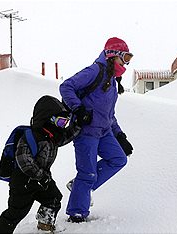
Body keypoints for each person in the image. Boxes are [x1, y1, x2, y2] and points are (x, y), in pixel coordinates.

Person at [59, 37, 134, 223]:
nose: (126, 62)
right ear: (113, 55)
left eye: (129, 58)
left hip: (105, 131)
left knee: (118, 159)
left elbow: (109, 113)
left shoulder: (112, 80)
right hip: (87, 132)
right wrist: (79, 108)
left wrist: (120, 135)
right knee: (87, 173)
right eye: (125, 57)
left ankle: (79, 187)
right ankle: (77, 213)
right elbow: (66, 86)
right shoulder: (95, 71)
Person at [0, 95, 81, 233]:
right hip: (23, 182)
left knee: (54, 198)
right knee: (16, 213)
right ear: (48, 118)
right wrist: (40, 176)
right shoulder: (31, 136)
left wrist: (78, 125)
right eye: (61, 122)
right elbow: (23, 160)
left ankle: (44, 226)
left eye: (65, 122)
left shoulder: (53, 136)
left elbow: (66, 137)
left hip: (41, 179)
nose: (63, 126)